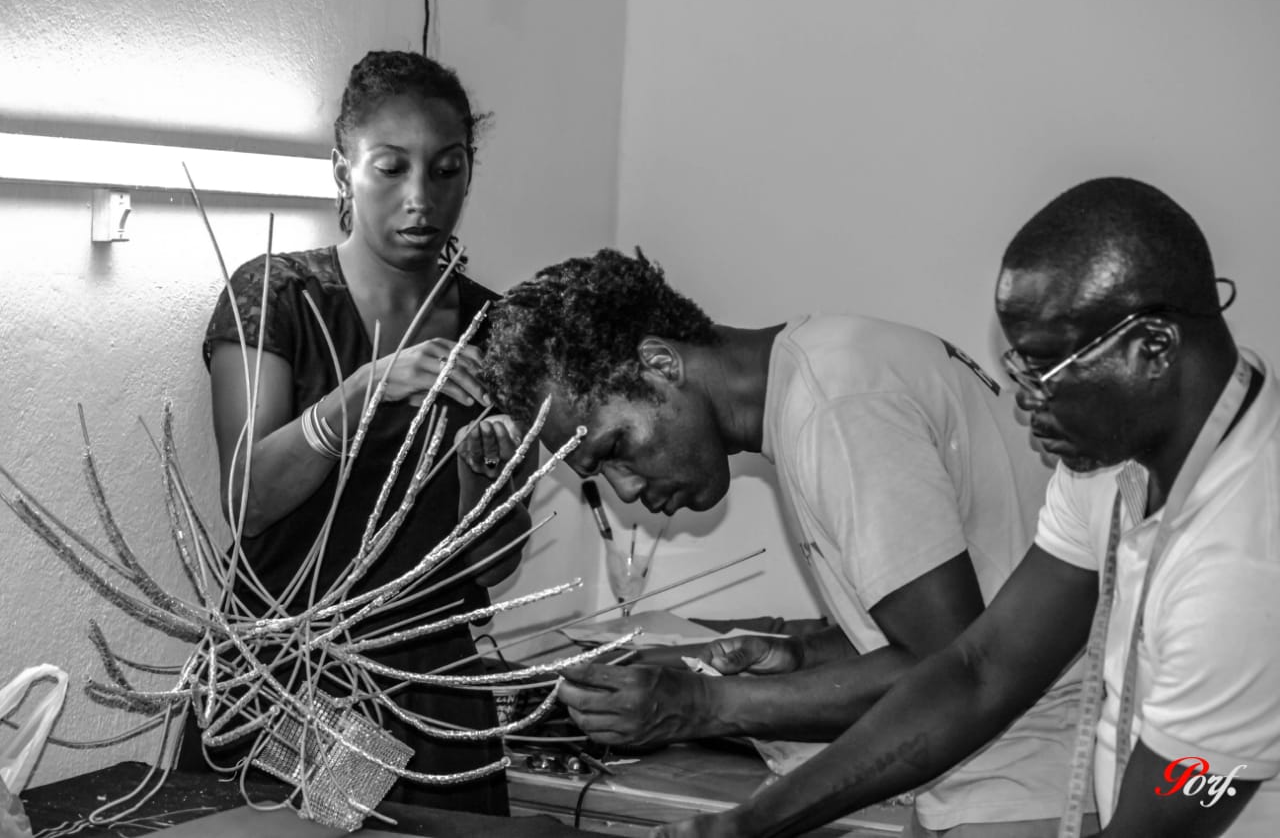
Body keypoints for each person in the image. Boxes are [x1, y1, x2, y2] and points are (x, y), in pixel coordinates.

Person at [652, 177, 1280, 838]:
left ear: (1151, 347)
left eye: (1045, 371)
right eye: (1017, 367)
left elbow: (1187, 798)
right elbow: (981, 670)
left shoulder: (1245, 555)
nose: (1024, 401)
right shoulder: (1113, 466)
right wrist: (743, 826)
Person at [480, 249, 1093, 834]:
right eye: (599, 473)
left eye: (617, 448)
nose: (626, 488)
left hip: (1032, 777)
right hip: (996, 771)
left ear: (662, 364)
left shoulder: (836, 406)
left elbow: (947, 665)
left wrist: (703, 704)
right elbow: (954, 622)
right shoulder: (824, 367)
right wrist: (803, 658)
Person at [193, 50, 531, 815]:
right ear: (343, 170)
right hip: (294, 680)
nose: (421, 198)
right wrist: (361, 393)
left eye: (446, 170)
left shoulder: (502, 329)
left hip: (435, 694)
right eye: (390, 168)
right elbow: (246, 502)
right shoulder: (276, 293)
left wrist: (485, 472)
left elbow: (498, 557)